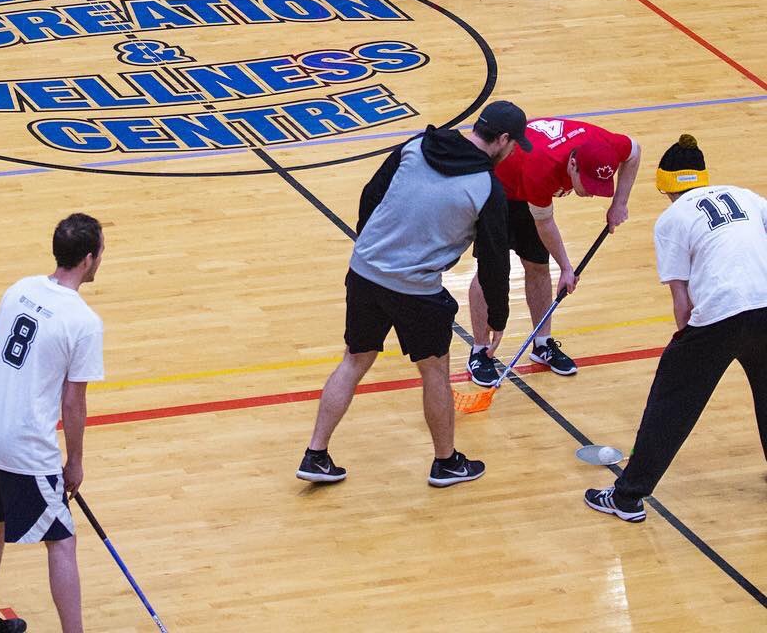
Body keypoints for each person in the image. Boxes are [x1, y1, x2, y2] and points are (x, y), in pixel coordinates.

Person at [296, 101, 529, 489]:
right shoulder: (487, 188)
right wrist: (497, 318)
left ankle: (315, 454)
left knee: (354, 359)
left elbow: (371, 195)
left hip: (365, 271)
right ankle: (446, 462)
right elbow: (493, 262)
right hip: (416, 290)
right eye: (513, 144)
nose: (512, 151)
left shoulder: (417, 144)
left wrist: (373, 247)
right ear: (502, 140)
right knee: (434, 371)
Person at [585, 135, 767, 522]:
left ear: (663, 182)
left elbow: (681, 298)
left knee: (671, 405)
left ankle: (627, 497)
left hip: (720, 314)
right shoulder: (746, 196)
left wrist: (684, 345)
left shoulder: (672, 219)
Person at [0, 213, 106, 633]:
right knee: (61, 539)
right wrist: (75, 461)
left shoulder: (20, 289)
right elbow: (73, 401)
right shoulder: (83, 321)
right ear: (87, 259)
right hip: (26, 445)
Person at [466, 117, 641, 385]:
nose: (593, 193)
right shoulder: (541, 168)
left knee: (538, 266)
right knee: (489, 271)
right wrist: (567, 268)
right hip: (500, 190)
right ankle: (480, 351)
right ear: (573, 164)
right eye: (589, 184)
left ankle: (542, 343)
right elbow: (544, 222)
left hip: (531, 188)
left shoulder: (607, 145)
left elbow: (634, 150)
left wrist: (620, 203)